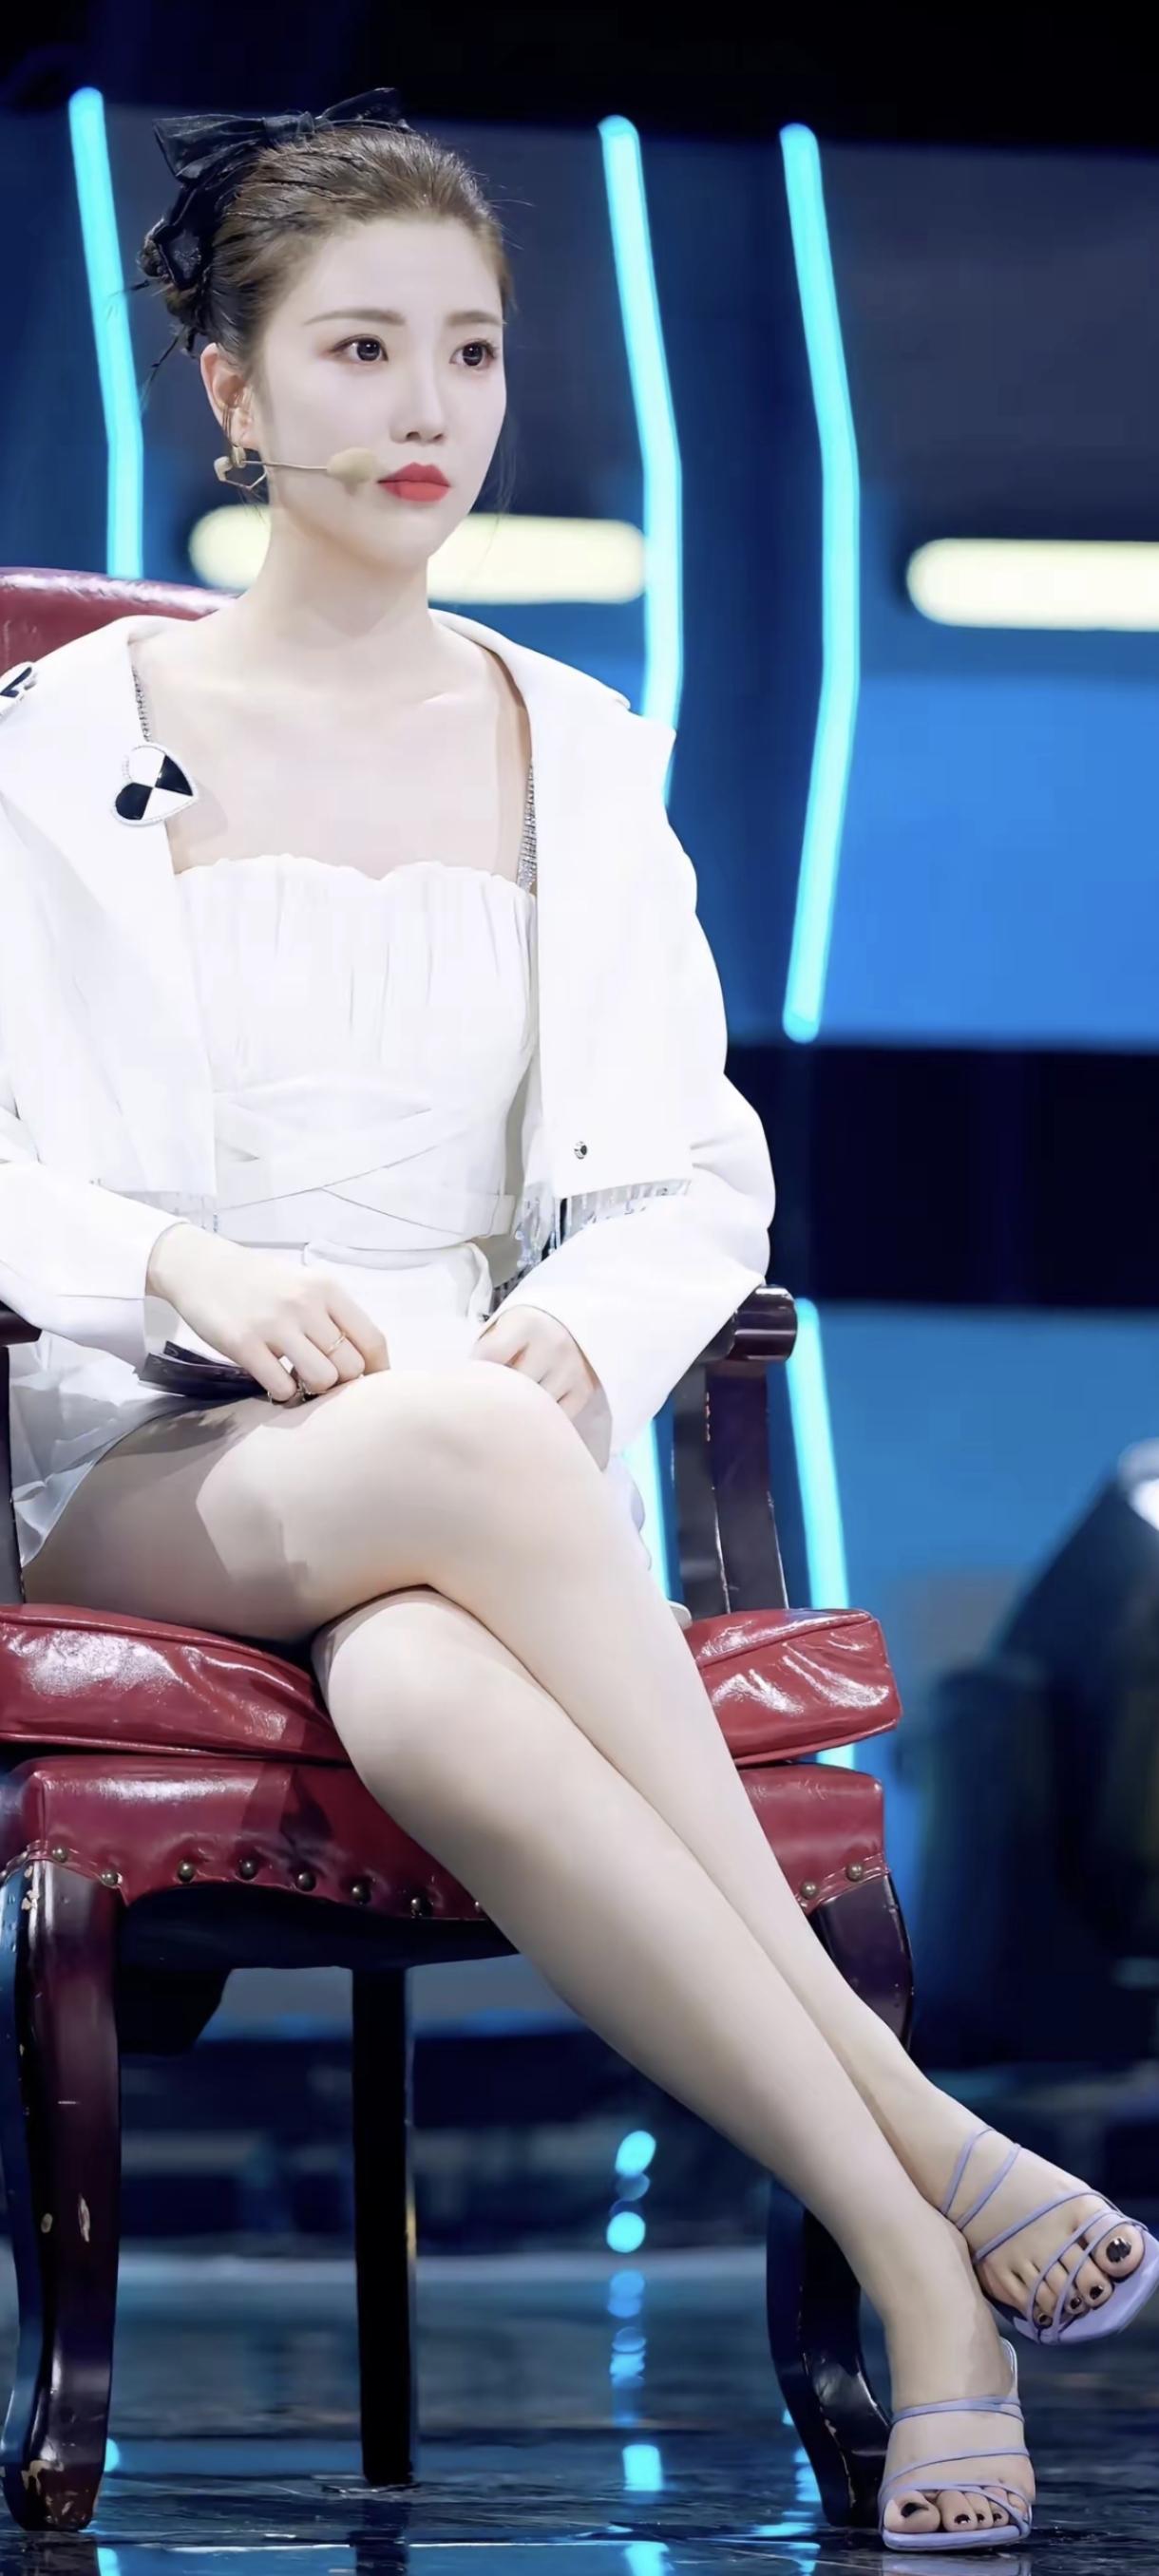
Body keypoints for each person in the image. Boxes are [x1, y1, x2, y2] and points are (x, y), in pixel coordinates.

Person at [3, 88, 1154, 2549]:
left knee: (430, 1682)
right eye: (358, 350)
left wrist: (589, 1342)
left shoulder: (577, 747)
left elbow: (684, 1172)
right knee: (466, 1460)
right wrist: (183, 1269)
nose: (427, 407)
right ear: (231, 389)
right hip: (131, 1452)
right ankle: (921, 2126)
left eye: (472, 350)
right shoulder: (53, 744)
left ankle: (916, 2280)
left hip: (460, 1473)